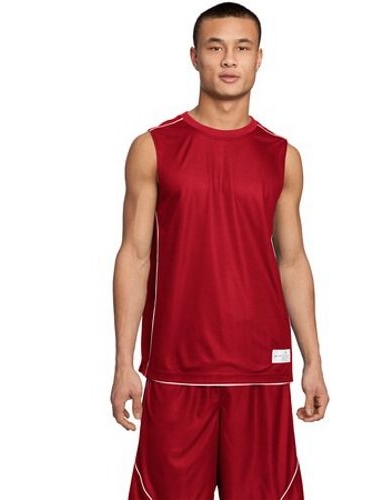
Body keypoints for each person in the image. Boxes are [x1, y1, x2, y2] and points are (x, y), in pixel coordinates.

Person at [111, 2, 329, 498]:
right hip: (176, 369)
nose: (229, 59)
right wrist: (124, 361)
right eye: (215, 47)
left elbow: (292, 260)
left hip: (260, 370)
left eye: (242, 48)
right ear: (194, 57)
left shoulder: (282, 157)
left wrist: (313, 360)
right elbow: (134, 256)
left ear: (258, 58)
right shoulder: (154, 147)